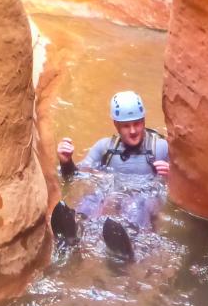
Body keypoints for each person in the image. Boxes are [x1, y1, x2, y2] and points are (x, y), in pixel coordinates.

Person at [52, 91, 170, 258]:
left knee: (137, 205)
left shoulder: (160, 148)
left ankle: (129, 247)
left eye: (137, 124)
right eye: (126, 126)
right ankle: (73, 234)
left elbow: (184, 187)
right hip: (113, 192)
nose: (133, 131)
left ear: (144, 121)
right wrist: (66, 162)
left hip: (144, 195)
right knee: (92, 199)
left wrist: (170, 174)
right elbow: (76, 177)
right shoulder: (105, 148)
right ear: (116, 125)